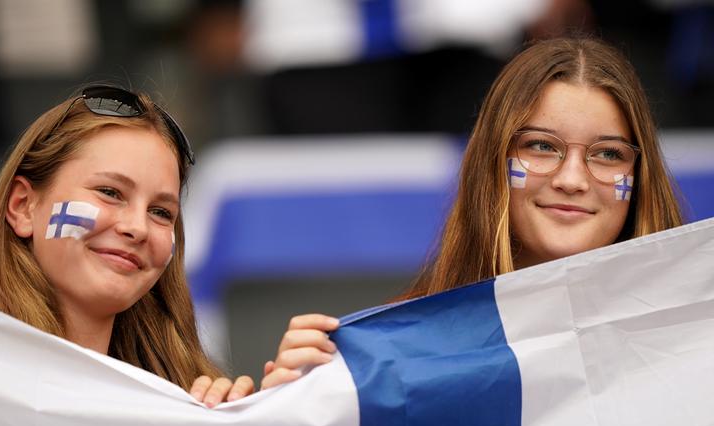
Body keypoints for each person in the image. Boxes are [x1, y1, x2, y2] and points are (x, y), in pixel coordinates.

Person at [264, 37, 685, 382]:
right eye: (540, 146)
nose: (572, 179)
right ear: (491, 164)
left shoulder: (696, 340)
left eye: (608, 154)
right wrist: (295, 409)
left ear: (640, 175)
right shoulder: (390, 355)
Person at [0, 85, 292, 407]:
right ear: (23, 206)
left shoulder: (192, 406)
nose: (136, 228)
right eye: (110, 192)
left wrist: (265, 416)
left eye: (161, 212)